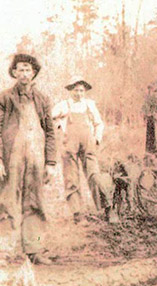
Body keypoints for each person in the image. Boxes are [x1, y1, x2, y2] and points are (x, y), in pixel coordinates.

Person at [0, 54, 57, 265]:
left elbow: (50, 132)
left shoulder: (42, 100)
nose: (24, 74)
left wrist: (50, 163)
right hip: (10, 159)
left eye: (28, 70)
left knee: (35, 203)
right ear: (14, 72)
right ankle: (3, 252)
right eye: (20, 69)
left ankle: (35, 249)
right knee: (6, 202)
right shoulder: (5, 98)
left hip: (35, 158)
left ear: (34, 73)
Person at [52, 76, 116, 224]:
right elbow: (49, 118)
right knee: (71, 178)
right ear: (70, 91)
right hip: (69, 145)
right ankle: (78, 214)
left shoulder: (89, 105)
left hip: (88, 145)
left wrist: (97, 138)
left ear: (85, 91)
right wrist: (60, 126)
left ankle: (108, 209)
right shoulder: (63, 105)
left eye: (81, 90)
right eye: (75, 90)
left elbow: (99, 123)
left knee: (94, 175)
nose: (78, 93)